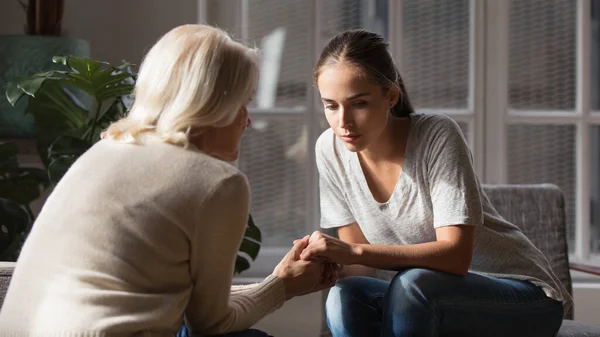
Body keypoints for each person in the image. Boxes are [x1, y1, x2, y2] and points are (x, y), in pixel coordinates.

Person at [0, 24, 338, 337]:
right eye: (243, 103)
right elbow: (212, 324)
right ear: (213, 105)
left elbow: (177, 299)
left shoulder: (107, 150)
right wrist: (283, 287)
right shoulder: (218, 183)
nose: (247, 121)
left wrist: (277, 280)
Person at [300, 29, 572, 337]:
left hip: (522, 297)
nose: (343, 122)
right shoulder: (329, 149)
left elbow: (455, 257)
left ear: (391, 95)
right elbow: (359, 267)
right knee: (346, 295)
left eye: (359, 103)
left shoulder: (437, 136)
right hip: (420, 300)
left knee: (413, 283)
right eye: (331, 105)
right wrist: (322, 263)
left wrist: (353, 252)